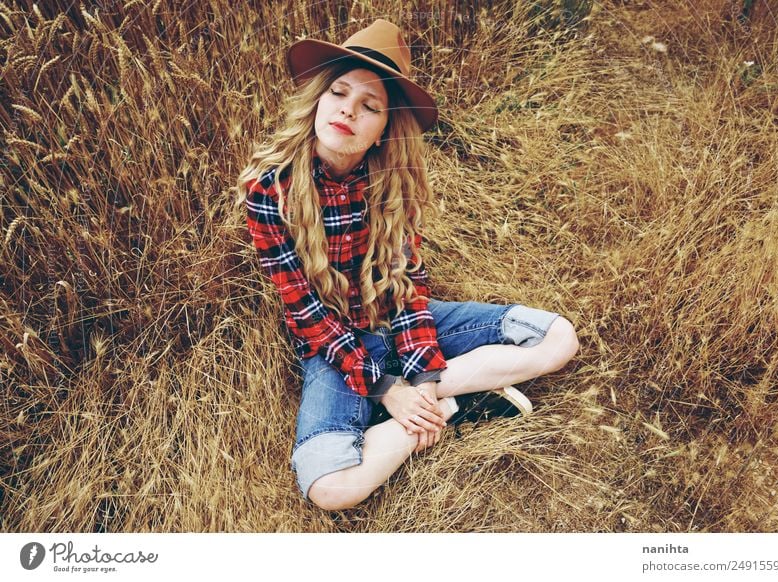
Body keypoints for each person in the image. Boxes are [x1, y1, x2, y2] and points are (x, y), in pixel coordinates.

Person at [239, 19, 580, 511]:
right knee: (330, 489)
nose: (347, 110)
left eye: (369, 106)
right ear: (319, 98)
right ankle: (451, 403)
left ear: (383, 130)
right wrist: (384, 388)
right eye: (338, 92)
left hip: (393, 320)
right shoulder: (270, 190)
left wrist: (418, 378)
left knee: (558, 337)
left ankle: (434, 397)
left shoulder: (391, 184)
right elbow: (306, 314)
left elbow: (408, 291)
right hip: (336, 345)